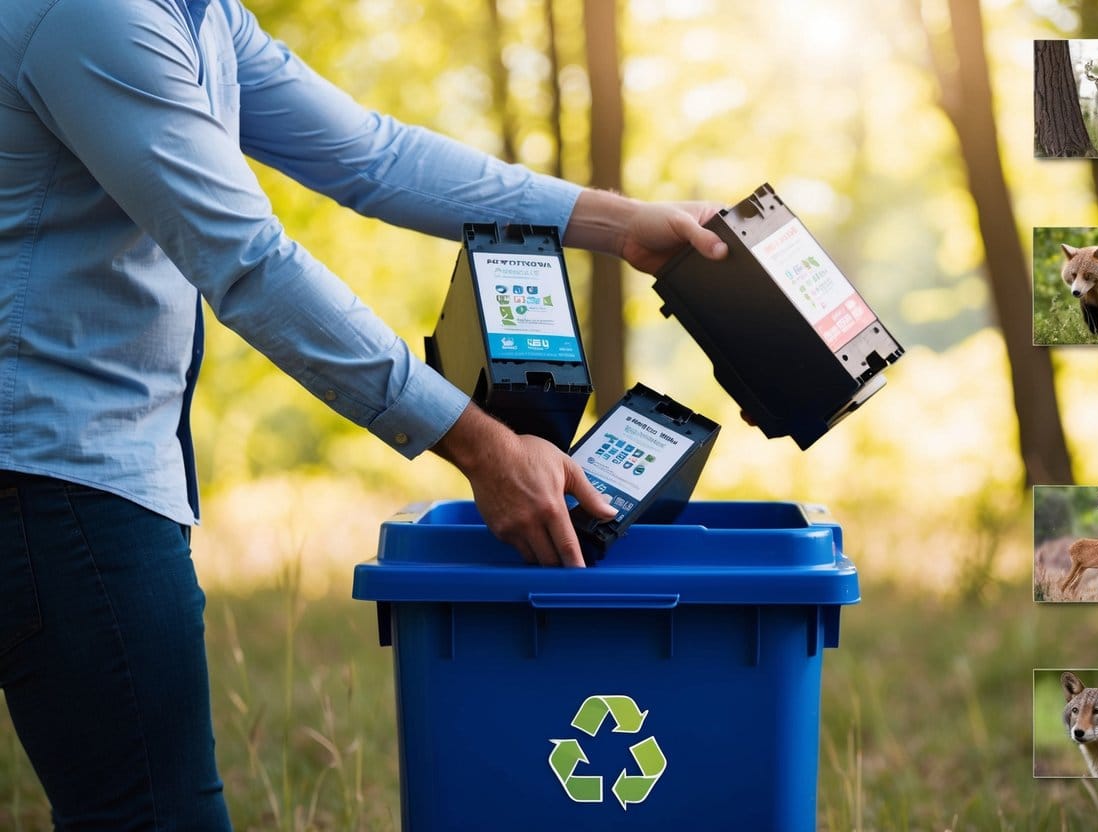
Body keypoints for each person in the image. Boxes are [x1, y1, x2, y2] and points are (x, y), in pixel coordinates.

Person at [0, 0, 726, 828]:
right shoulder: (97, 16)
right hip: (52, 483)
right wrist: (480, 445)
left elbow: (372, 156)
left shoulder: (202, 18)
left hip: (67, 475)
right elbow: (251, 266)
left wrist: (620, 223)